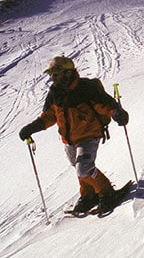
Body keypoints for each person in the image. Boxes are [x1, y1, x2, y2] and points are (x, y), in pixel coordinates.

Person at [19, 56, 129, 214]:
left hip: (89, 135)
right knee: (78, 167)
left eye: (56, 73)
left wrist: (117, 112)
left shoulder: (86, 88)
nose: (52, 77)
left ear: (68, 73)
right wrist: (32, 128)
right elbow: (50, 116)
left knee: (84, 169)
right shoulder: (55, 93)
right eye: (51, 74)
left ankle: (107, 193)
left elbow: (104, 104)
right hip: (69, 140)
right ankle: (89, 195)